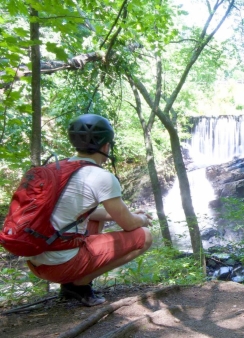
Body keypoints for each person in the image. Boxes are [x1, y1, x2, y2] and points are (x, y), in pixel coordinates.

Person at [26, 114, 153, 307]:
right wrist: (141, 219)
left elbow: (84, 213)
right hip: (61, 266)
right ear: (106, 146)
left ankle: (72, 282)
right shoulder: (101, 177)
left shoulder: (55, 169)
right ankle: (80, 284)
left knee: (94, 216)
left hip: (35, 262)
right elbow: (130, 224)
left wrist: (120, 215)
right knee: (145, 236)